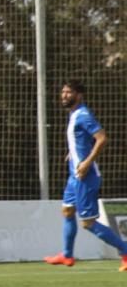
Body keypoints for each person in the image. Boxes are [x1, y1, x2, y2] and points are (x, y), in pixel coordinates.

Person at [44, 80, 127, 271]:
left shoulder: (83, 115)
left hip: (85, 176)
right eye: (63, 92)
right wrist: (73, 153)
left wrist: (87, 162)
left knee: (88, 223)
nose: (64, 95)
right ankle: (66, 255)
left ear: (79, 95)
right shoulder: (74, 115)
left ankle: (125, 250)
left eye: (68, 92)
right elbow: (80, 140)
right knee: (67, 211)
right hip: (75, 175)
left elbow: (102, 138)